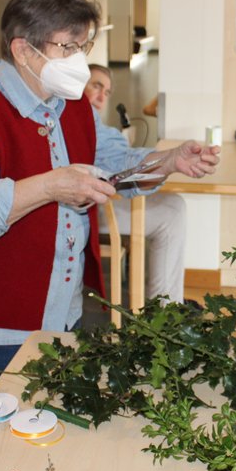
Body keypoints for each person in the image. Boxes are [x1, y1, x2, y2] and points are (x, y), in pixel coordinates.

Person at [0, 0, 219, 385]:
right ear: (23, 50)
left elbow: (112, 160)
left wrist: (166, 161)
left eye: (84, 47)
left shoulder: (71, 102)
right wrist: (50, 186)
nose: (79, 60)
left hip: (61, 310)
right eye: (69, 47)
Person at [85, 65, 187, 303]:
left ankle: (166, 306)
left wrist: (167, 160)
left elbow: (121, 159)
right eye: (96, 86)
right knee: (172, 211)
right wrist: (167, 160)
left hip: (93, 203)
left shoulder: (97, 127)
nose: (101, 97)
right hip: (84, 210)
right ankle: (163, 312)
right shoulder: (79, 119)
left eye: (107, 92)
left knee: (174, 205)